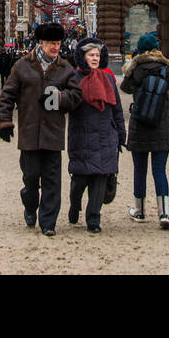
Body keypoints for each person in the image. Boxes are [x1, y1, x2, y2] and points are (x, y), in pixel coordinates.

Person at [0, 22, 83, 236]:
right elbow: (7, 96)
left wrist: (59, 97)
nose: (55, 47)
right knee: (31, 177)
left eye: (58, 43)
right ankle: (30, 205)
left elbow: (76, 95)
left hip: (53, 133)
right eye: (51, 43)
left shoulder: (65, 68)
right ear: (40, 43)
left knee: (53, 181)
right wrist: (4, 122)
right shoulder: (22, 66)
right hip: (29, 132)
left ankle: (48, 222)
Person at [66, 38, 125, 233]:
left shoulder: (108, 79)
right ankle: (75, 205)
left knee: (100, 179)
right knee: (79, 180)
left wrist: (121, 132)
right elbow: (67, 104)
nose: (95, 58)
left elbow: (116, 107)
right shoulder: (74, 78)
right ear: (83, 57)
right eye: (91, 55)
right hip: (82, 134)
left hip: (105, 135)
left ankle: (94, 218)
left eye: (97, 55)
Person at [119, 31, 169, 229]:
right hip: (162, 123)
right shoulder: (165, 68)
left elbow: (125, 88)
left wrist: (133, 64)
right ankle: (164, 212)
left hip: (141, 122)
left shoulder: (136, 68)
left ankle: (140, 210)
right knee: (160, 170)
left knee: (140, 170)